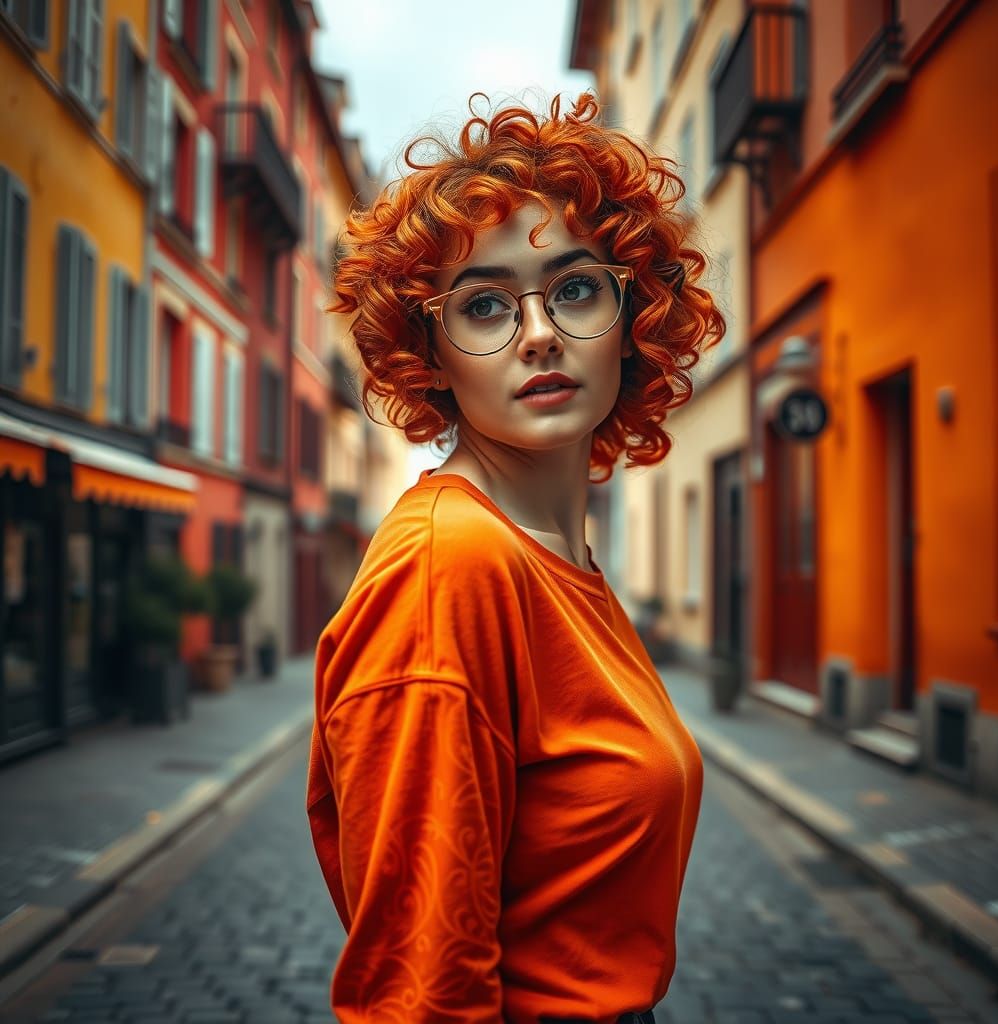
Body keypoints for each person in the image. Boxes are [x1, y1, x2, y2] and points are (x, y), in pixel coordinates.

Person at [307, 92, 725, 1024]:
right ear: (431, 355)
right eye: (485, 305)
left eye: (575, 288)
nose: (538, 332)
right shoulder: (447, 568)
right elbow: (420, 995)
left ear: (634, 314)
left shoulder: (553, 556)